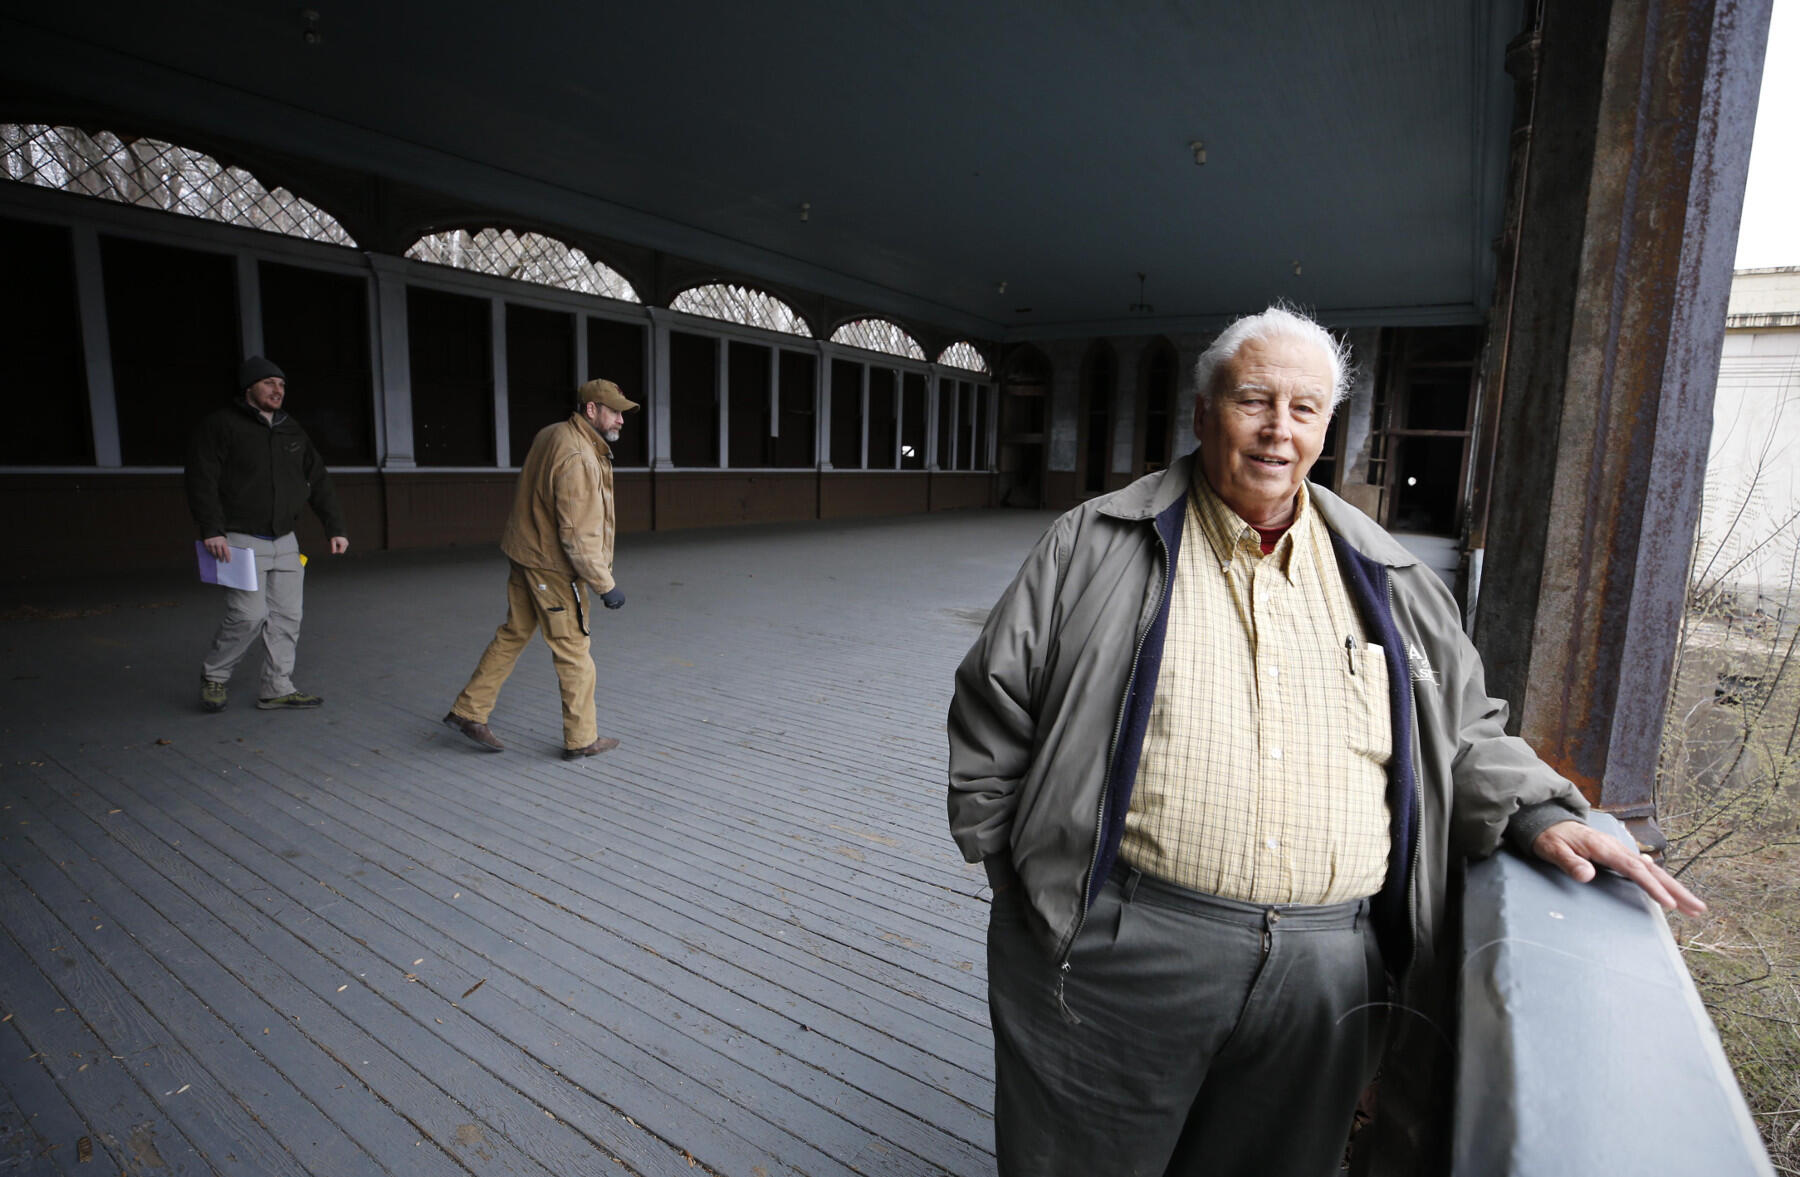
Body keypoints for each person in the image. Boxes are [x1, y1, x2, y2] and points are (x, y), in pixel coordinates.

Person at [945, 304, 1704, 1177]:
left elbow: (1457, 732)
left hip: (1327, 975)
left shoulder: (1391, 577)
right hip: (1122, 953)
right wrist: (1037, 894)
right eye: (1253, 400)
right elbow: (991, 708)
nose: (1278, 429)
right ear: (1203, 414)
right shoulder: (1095, 544)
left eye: (1304, 408)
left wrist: (1538, 813)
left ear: (1326, 428)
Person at [443, 377, 636, 760]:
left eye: (622, 413)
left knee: (514, 633)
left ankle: (469, 710)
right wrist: (604, 584)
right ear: (591, 409)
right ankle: (582, 739)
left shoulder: (552, 434)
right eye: (614, 412)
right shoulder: (579, 455)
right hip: (552, 567)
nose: (621, 420)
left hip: (526, 554)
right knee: (574, 649)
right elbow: (576, 534)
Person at [186, 355, 348, 713]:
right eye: (269, 383)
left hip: (285, 541)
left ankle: (276, 687)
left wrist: (334, 527)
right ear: (249, 389)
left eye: (282, 385)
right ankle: (214, 676)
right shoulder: (221, 426)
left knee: (288, 616)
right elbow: (202, 479)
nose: (278, 390)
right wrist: (212, 529)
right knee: (247, 615)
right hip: (239, 540)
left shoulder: (292, 430)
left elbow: (318, 479)